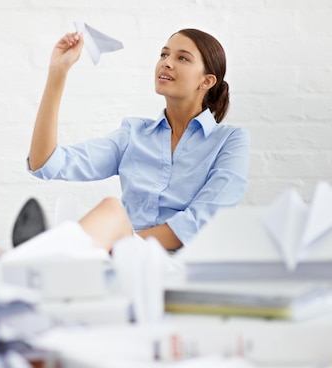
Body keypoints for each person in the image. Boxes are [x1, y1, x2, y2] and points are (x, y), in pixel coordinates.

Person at [27, 28, 250, 252]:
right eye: (164, 54)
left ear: (207, 81)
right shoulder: (133, 134)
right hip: (123, 259)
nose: (167, 63)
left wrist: (120, 245)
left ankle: (35, 257)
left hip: (182, 264)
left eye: (182, 58)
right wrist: (58, 72)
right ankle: (33, 259)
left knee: (112, 211)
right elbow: (45, 163)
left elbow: (199, 223)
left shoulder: (230, 141)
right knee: (110, 213)